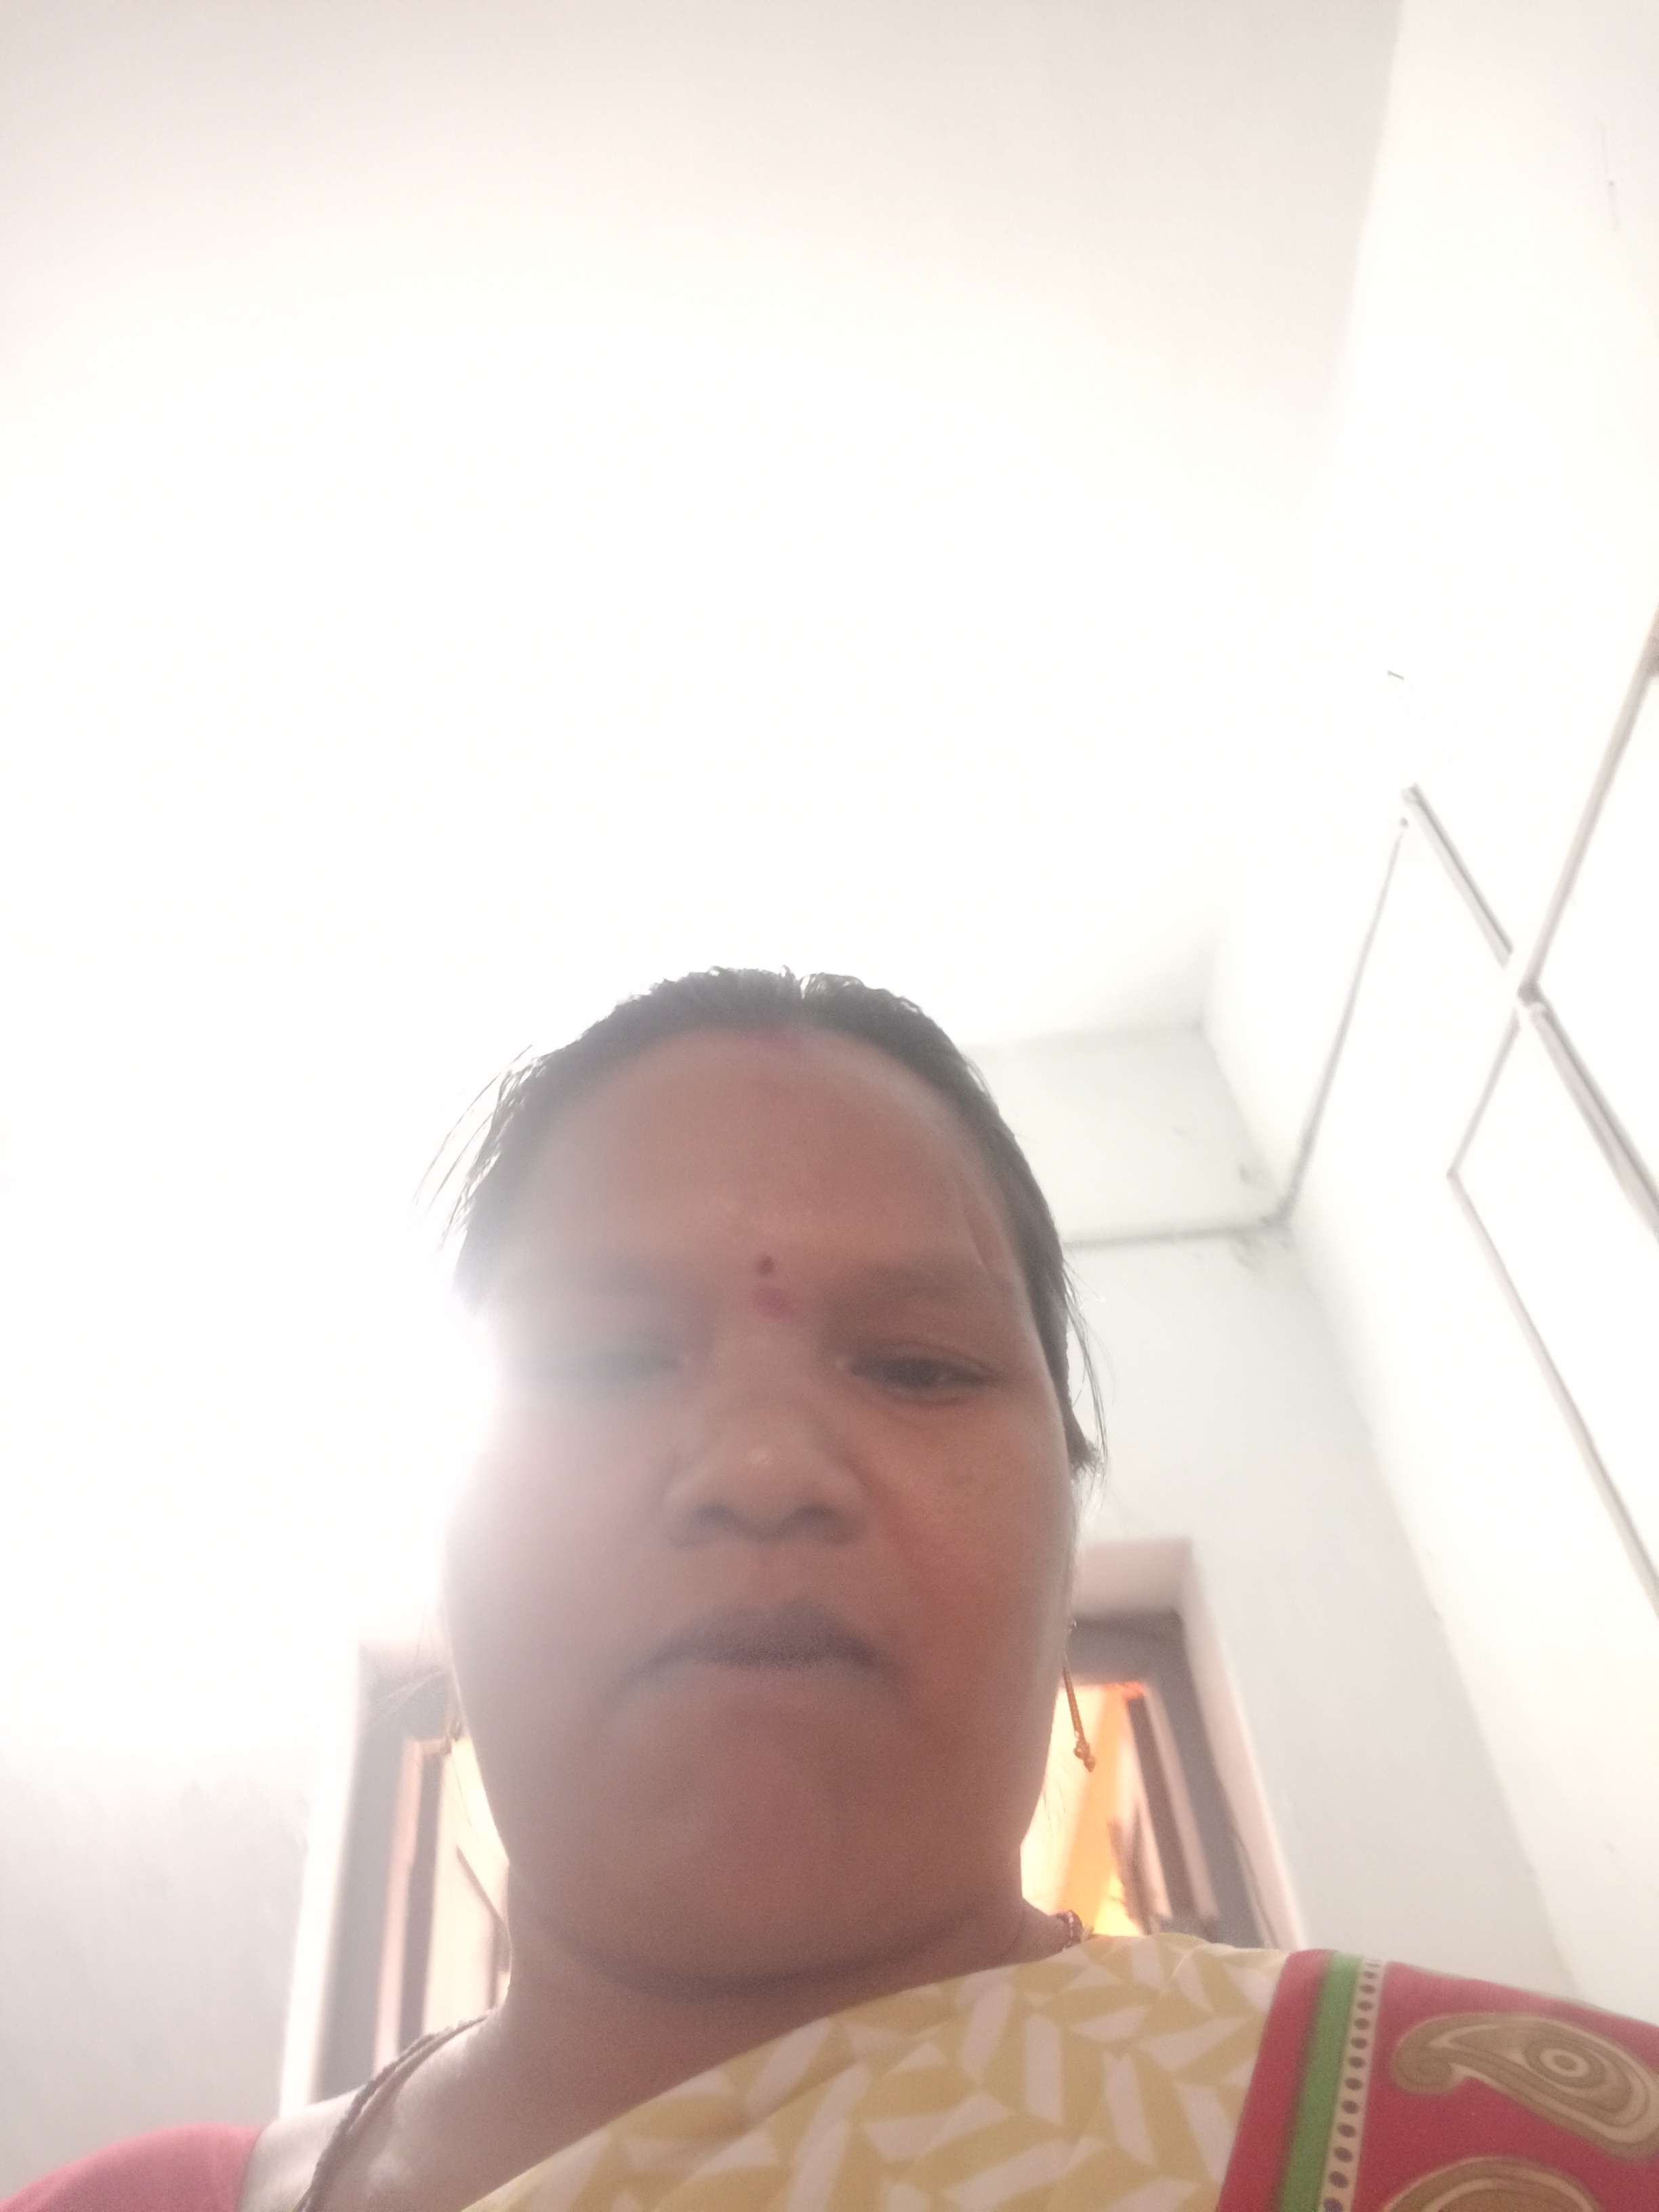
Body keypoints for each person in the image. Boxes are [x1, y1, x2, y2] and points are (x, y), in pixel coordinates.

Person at [9, 970, 1656, 2212]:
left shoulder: (1515, 2143)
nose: (761, 1466)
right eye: (604, 1361)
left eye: (922, 1367)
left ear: (1067, 1524)